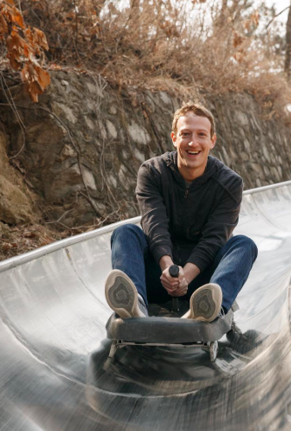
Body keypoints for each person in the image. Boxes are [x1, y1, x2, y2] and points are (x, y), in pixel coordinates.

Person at [104, 102, 258, 322]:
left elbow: (214, 239)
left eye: (201, 135)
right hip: (159, 272)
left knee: (244, 245)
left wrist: (185, 276)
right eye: (186, 134)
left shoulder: (229, 183)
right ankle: (134, 303)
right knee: (125, 233)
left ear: (212, 141)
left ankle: (211, 308)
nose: (193, 142)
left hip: (201, 282)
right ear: (174, 138)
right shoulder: (152, 172)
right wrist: (169, 270)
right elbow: (154, 224)